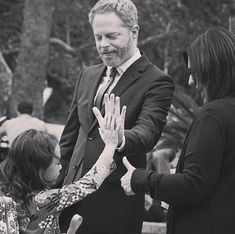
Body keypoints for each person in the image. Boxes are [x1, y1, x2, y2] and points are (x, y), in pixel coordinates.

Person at [58, 0, 174, 233]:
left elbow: (148, 131)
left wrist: (120, 138)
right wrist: (55, 183)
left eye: (111, 36)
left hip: (114, 201)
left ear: (134, 31)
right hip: (69, 195)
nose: (103, 45)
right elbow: (71, 136)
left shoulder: (157, 81)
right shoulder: (87, 75)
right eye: (98, 37)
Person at [121, 27, 235, 234]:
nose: (191, 82)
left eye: (194, 73)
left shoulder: (213, 115)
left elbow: (194, 184)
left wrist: (139, 178)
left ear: (213, 70)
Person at [0, 95, 126, 233]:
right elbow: (89, 183)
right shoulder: (45, 200)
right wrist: (110, 145)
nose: (60, 167)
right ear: (40, 168)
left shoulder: (14, 196)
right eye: (56, 163)